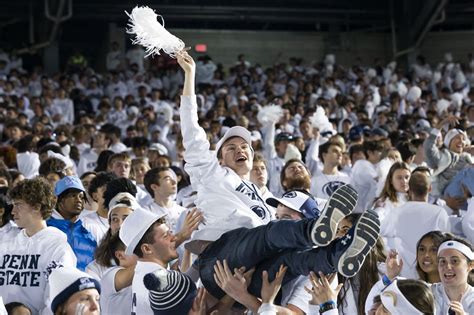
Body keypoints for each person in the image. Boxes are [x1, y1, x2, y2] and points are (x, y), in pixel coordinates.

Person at [176, 50, 380, 301]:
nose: (240, 150)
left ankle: (338, 255)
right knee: (271, 232)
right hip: (219, 263)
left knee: (292, 261)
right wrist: (190, 75)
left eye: (245, 147)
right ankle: (314, 229)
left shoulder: (260, 195)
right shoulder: (210, 173)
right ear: (219, 159)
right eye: (231, 147)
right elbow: (192, 131)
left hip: (252, 272)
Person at [0, 177, 76, 314]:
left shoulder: (58, 246)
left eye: (18, 205)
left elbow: (56, 297)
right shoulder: (5, 242)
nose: (12, 211)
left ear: (37, 206)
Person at [382, 172, 450, 278]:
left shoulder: (397, 212)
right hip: (430, 273)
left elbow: (380, 234)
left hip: (403, 273)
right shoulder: (440, 212)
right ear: (430, 188)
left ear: (409, 189)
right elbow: (447, 244)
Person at [47, 176, 97, 271]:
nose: (78, 200)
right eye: (73, 195)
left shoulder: (88, 232)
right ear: (60, 200)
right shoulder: (46, 228)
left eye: (81, 197)